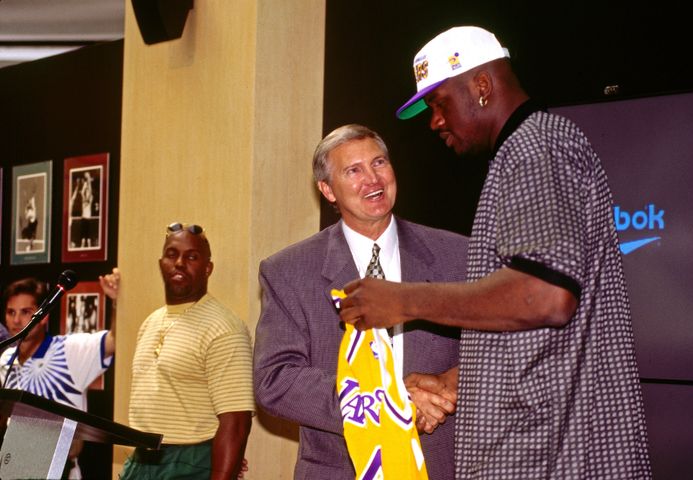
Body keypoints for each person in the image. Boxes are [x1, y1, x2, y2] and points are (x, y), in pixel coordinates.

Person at [339, 26, 652, 479]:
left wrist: (402, 300)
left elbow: (546, 296)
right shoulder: (522, 154)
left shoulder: (536, 148)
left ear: (482, 87)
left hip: (557, 458)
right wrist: (459, 381)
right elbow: (541, 331)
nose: (434, 122)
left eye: (439, 103)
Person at [254, 124, 468, 479]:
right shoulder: (288, 271)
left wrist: (450, 384)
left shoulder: (456, 255)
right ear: (327, 190)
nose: (373, 179)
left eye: (379, 163)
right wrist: (390, 403)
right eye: (353, 171)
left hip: (441, 464)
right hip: (340, 468)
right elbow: (275, 380)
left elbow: (498, 352)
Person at [118, 223, 253, 480]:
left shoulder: (224, 327)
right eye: (172, 254)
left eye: (191, 257)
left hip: (190, 463)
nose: (179, 263)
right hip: (142, 459)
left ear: (207, 268)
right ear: (161, 264)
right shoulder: (150, 322)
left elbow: (236, 423)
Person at [1, 277, 116, 478]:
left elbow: (114, 341)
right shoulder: (5, 360)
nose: (17, 320)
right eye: (11, 312)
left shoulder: (70, 350)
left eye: (26, 312)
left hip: (58, 470)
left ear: (43, 316)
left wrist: (116, 301)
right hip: (15, 468)